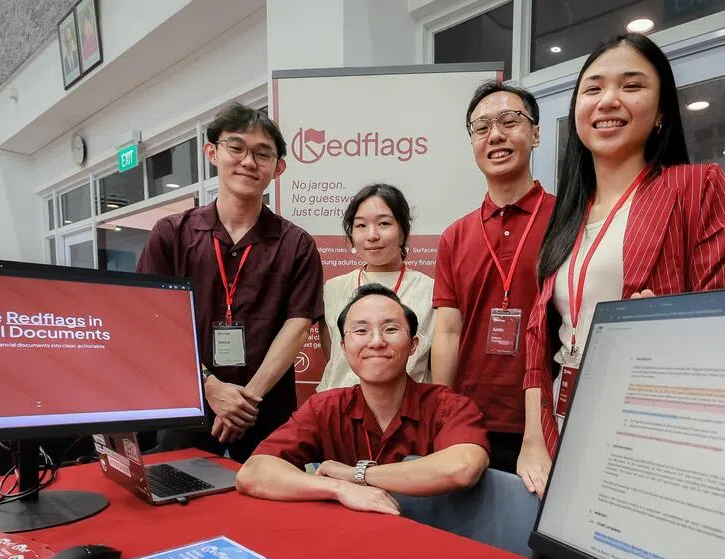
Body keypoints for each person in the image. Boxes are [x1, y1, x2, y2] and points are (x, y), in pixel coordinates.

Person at [518, 33, 725, 497]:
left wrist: (668, 327)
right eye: (593, 88)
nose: (608, 100)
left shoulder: (695, 187)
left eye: (631, 86)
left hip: (651, 425)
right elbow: (539, 337)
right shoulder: (567, 213)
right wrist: (532, 440)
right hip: (561, 419)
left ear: (662, 109)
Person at [137, 102, 323, 463]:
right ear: (212, 152)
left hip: (265, 410)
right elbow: (153, 321)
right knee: (179, 504)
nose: (248, 162)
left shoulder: (296, 244)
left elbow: (298, 325)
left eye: (262, 153)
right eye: (236, 148)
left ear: (278, 167)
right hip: (186, 404)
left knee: (270, 511)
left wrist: (247, 400)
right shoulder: (171, 234)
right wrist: (210, 386)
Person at [237, 284, 490, 514]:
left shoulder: (449, 406)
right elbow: (253, 473)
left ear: (413, 345)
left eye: (390, 329)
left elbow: (462, 468)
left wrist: (356, 474)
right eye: (361, 331)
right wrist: (338, 488)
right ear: (344, 347)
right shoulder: (325, 408)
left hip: (432, 544)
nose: (377, 342)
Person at [432, 82, 555, 474]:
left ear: (535, 134)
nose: (496, 135)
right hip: (473, 418)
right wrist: (443, 410)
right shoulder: (455, 235)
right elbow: (448, 332)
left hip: (549, 417)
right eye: (481, 127)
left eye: (509, 121)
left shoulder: (568, 219)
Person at [316, 184, 434, 391]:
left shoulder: (431, 291)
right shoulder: (333, 289)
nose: (372, 235)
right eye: (361, 226)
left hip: (405, 411)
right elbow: (335, 357)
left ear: (403, 231)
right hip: (337, 407)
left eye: (384, 223)